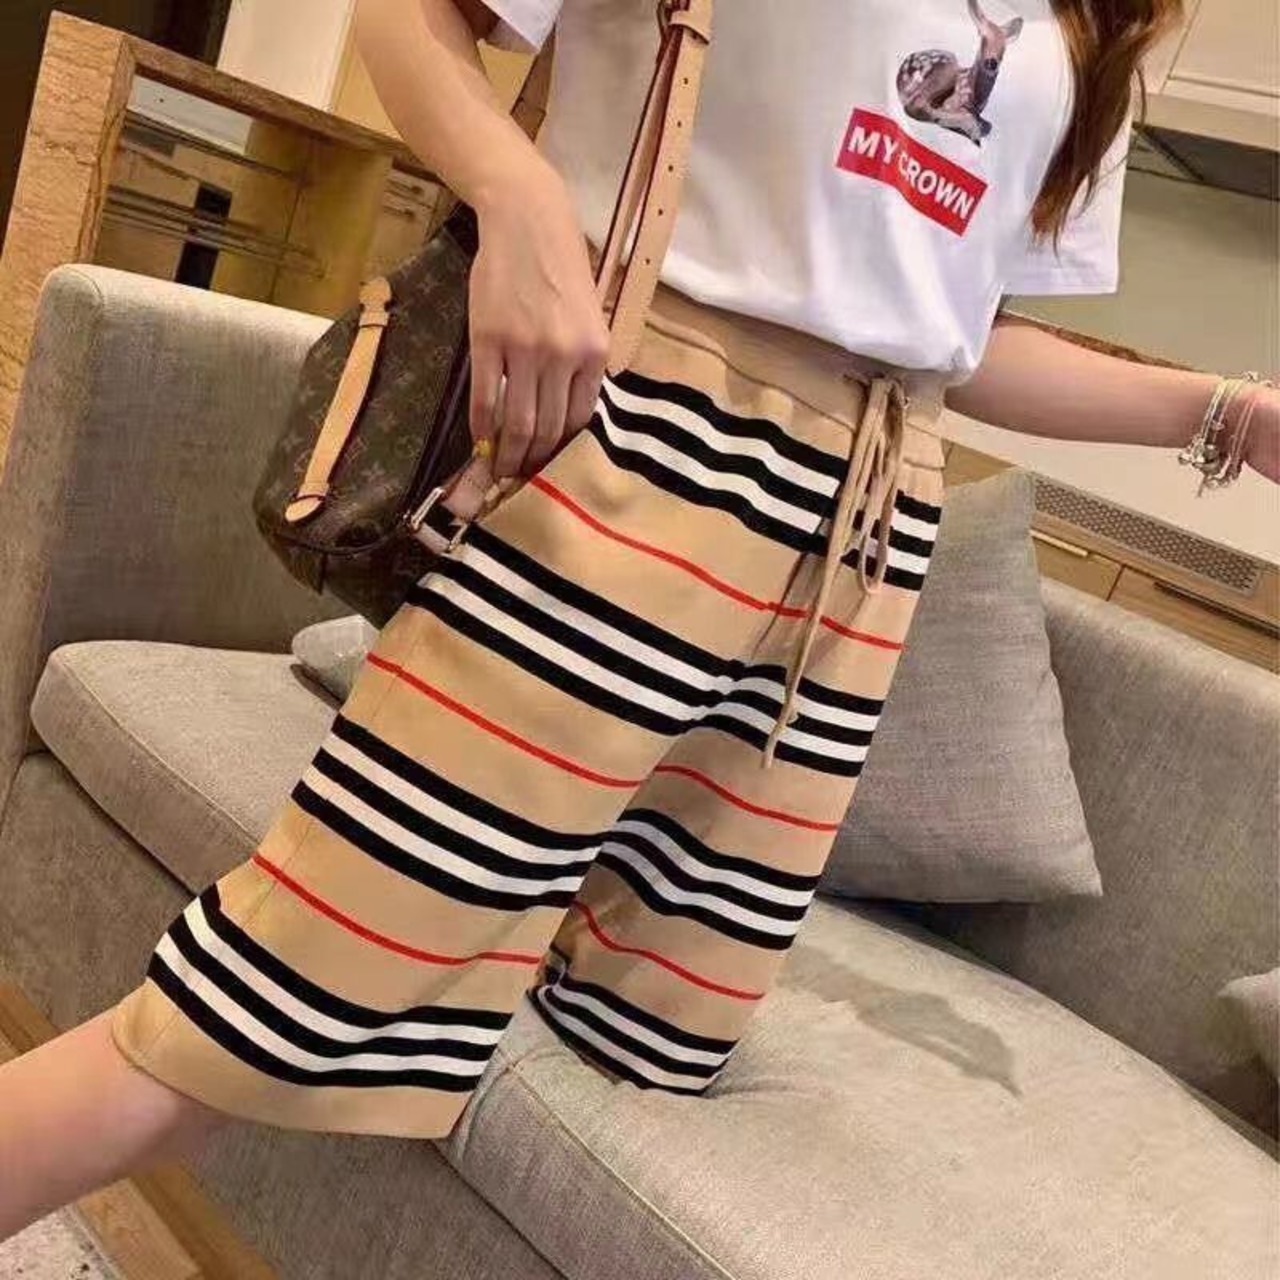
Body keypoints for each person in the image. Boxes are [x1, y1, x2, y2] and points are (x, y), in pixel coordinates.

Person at [1, 0, 1276, 1242]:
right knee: (292, 988)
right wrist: (517, 196)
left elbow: (954, 333)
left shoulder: (1094, 25)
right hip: (651, 438)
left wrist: (1222, 412)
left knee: (653, 1032)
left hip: (866, 537)